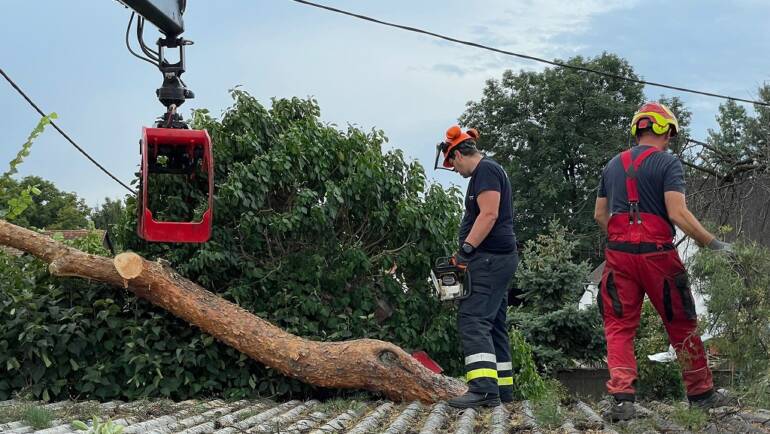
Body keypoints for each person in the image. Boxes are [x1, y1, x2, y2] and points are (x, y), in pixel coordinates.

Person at [594, 102, 734, 421]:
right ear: (661, 129)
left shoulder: (612, 165)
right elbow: (677, 213)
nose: (670, 139)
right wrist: (712, 243)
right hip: (658, 255)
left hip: (619, 257)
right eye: (669, 132)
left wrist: (622, 238)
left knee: (618, 326)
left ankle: (622, 399)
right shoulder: (667, 163)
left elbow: (600, 215)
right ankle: (700, 394)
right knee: (681, 322)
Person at [437, 125, 518, 409]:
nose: (455, 170)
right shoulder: (491, 171)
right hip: (497, 258)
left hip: (488, 259)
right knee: (494, 323)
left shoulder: (486, 171)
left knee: (473, 319)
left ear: (459, 153)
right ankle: (502, 390)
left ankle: (483, 390)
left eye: (453, 163)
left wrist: (465, 252)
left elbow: (489, 214)